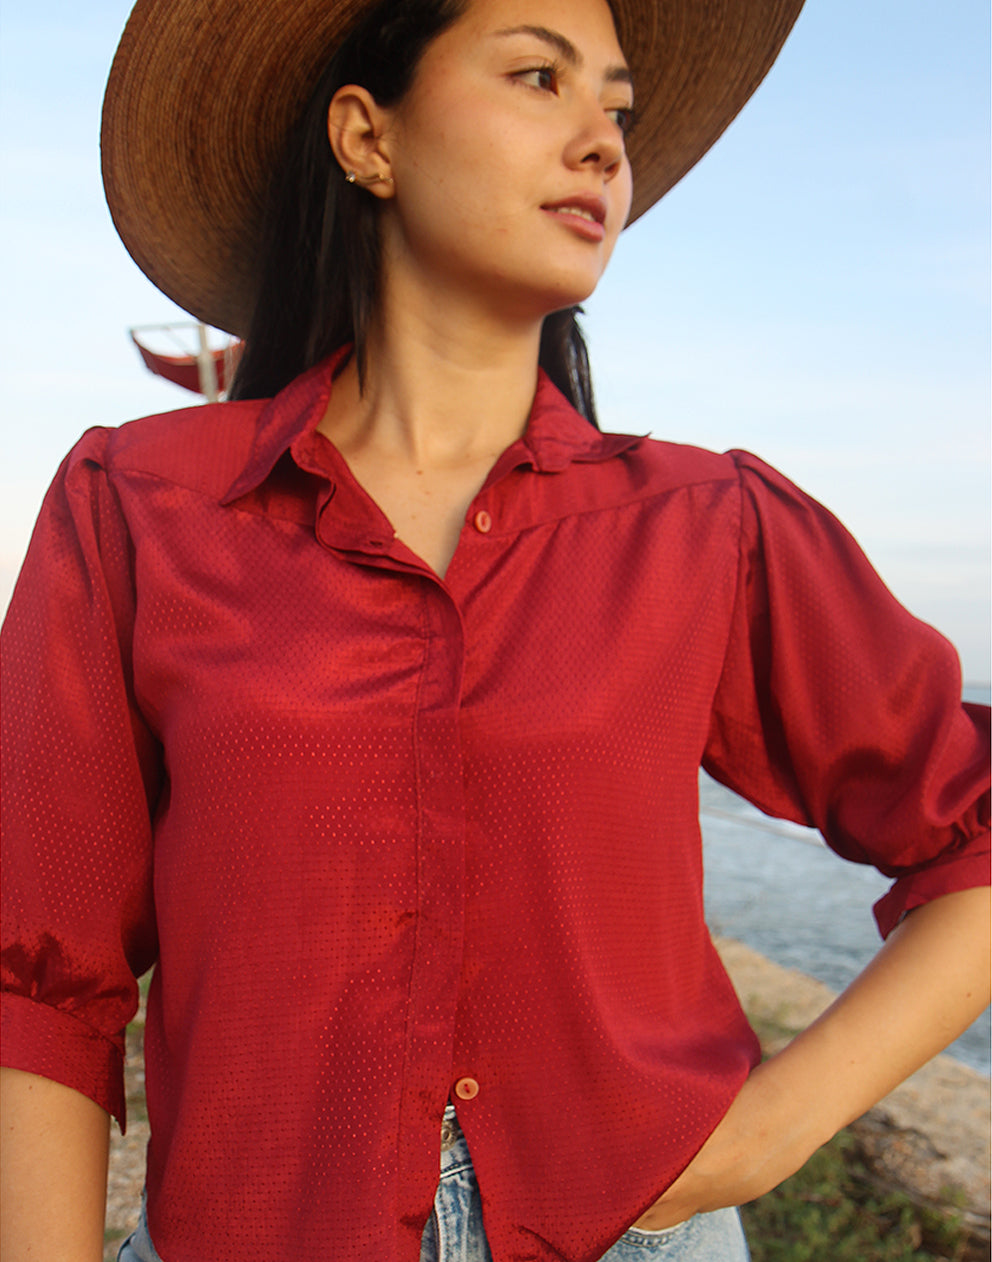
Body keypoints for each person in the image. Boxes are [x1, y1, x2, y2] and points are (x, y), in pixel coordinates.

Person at [1, 0, 988, 1259]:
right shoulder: (140, 508)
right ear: (368, 137)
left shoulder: (706, 525)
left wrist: (761, 1135)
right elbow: (38, 979)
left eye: (616, 110)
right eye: (538, 76)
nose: (600, 143)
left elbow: (969, 829)